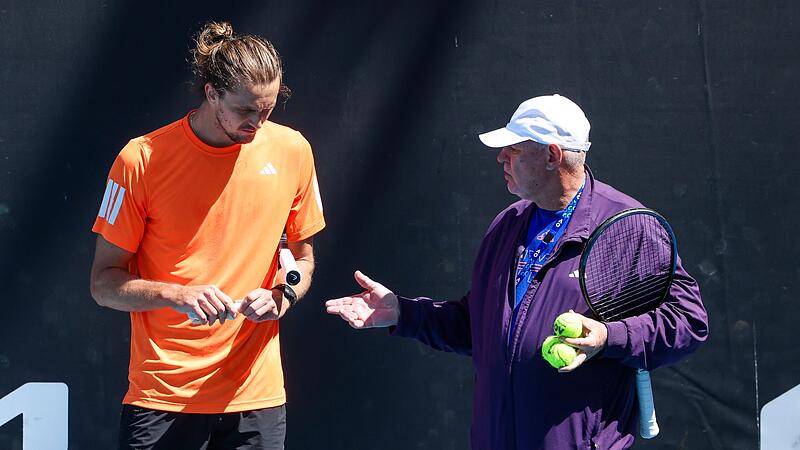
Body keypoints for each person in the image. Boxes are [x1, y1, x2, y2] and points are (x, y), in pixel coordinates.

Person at [325, 94, 708, 449]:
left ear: (552, 155)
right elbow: (481, 328)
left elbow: (688, 323)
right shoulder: (508, 223)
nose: (500, 158)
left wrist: (610, 336)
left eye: (513, 149)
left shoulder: (628, 227)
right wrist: (403, 313)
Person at [89, 21, 325, 450]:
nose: (256, 122)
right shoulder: (140, 159)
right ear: (211, 92)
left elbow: (302, 262)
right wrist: (177, 295)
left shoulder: (293, 151)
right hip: (163, 397)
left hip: (256, 398)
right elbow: (104, 285)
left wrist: (281, 297)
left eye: (268, 110)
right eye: (245, 110)